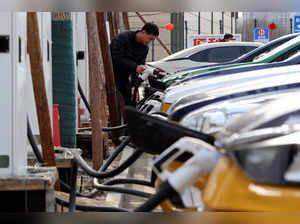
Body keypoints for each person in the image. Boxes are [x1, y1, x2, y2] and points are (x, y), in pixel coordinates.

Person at [110, 23, 159, 106]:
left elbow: (140, 68)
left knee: (131, 100)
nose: (149, 42)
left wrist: (135, 86)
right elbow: (116, 58)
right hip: (110, 74)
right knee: (115, 102)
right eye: (149, 38)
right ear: (143, 32)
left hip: (125, 77)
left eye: (152, 40)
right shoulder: (122, 38)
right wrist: (135, 67)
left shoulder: (144, 48)